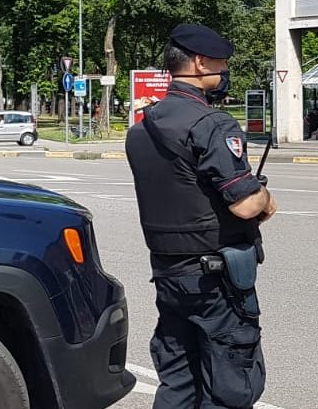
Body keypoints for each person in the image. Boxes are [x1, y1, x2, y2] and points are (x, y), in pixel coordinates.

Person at [126, 24, 276, 409]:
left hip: (168, 274)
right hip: (216, 280)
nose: (225, 69)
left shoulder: (141, 130)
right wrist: (264, 196)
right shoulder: (212, 123)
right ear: (198, 63)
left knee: (177, 382)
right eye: (221, 62)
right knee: (228, 386)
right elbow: (244, 204)